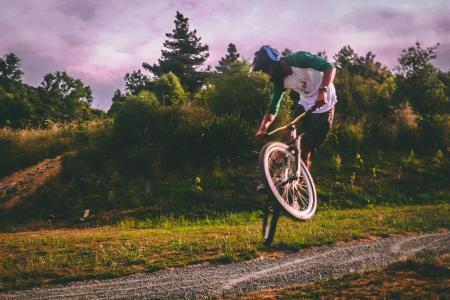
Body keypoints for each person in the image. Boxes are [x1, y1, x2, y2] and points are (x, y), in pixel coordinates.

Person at [251, 45, 337, 169]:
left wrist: (322, 91)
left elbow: (330, 68)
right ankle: (277, 181)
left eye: (266, 69)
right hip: (305, 104)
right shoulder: (279, 81)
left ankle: (301, 180)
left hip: (324, 105)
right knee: (287, 139)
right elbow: (273, 107)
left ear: (275, 61)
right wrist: (262, 129)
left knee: (305, 147)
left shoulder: (299, 59)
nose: (267, 74)